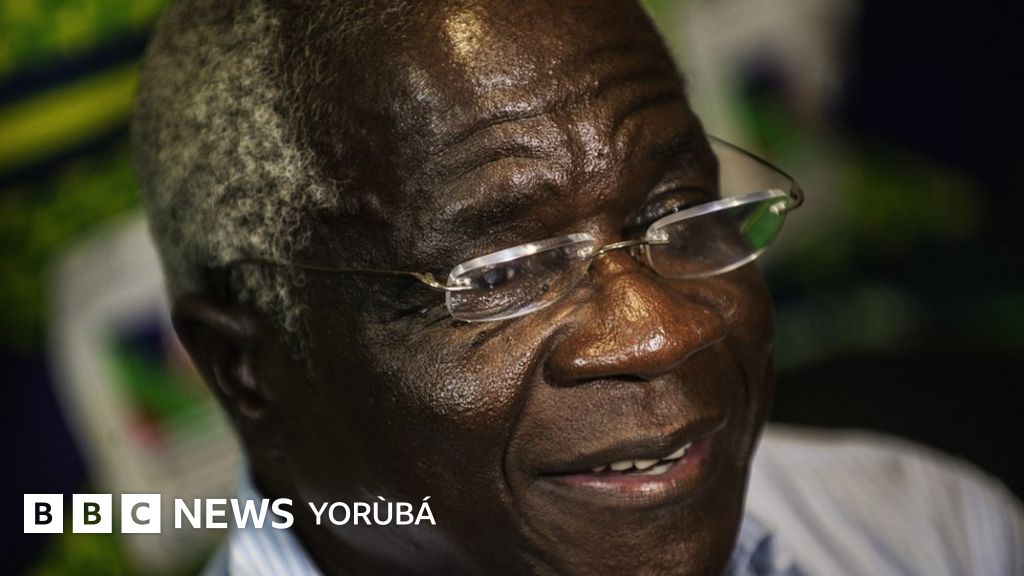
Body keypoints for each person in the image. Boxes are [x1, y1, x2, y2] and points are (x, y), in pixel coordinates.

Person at [132, 0, 1024, 574]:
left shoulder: (927, 532)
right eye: (504, 272)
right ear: (249, 371)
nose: (661, 330)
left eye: (678, 211)